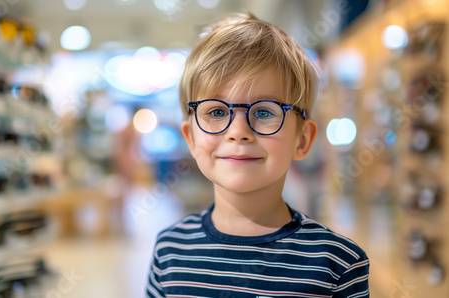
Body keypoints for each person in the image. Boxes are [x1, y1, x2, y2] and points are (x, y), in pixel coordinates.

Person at [146, 12, 369, 297]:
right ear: (191, 137)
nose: (238, 131)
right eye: (216, 111)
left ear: (302, 139)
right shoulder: (169, 251)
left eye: (264, 112)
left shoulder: (338, 264)